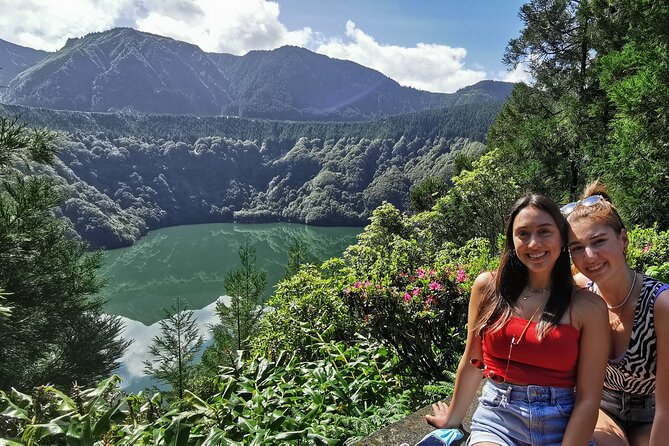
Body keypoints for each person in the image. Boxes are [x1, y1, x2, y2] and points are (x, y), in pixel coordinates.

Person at [425, 193, 609, 445]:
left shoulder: (589, 307)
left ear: (562, 239)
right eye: (523, 233)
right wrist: (452, 419)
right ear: (512, 240)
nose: (534, 244)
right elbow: (472, 361)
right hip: (498, 417)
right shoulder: (488, 288)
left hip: (563, 420)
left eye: (545, 232)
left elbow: (588, 399)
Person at [564, 182, 669, 446]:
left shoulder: (660, 304)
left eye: (598, 241)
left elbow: (667, 409)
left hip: (653, 410)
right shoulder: (581, 292)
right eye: (577, 247)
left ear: (623, 239)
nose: (589, 256)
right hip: (602, 405)